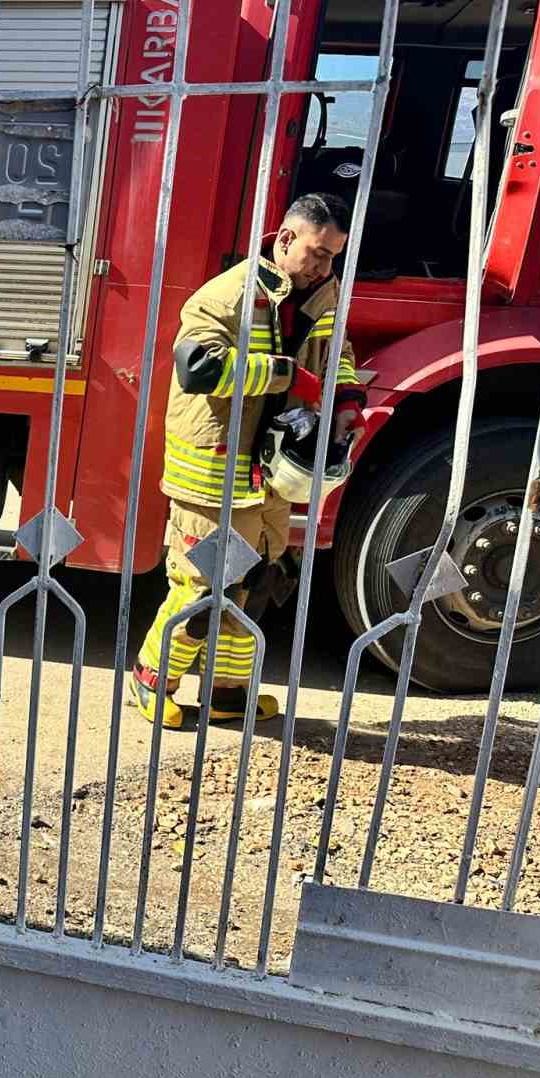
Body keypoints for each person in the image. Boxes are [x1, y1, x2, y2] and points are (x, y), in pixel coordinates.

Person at [128, 193, 367, 729]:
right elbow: (197, 368)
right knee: (205, 586)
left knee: (257, 582)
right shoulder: (227, 294)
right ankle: (152, 678)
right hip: (215, 473)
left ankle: (227, 692)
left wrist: (349, 400)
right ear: (284, 240)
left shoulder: (323, 293)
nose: (326, 266)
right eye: (318, 252)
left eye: (334, 256)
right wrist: (288, 377)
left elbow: (338, 355)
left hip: (271, 478)